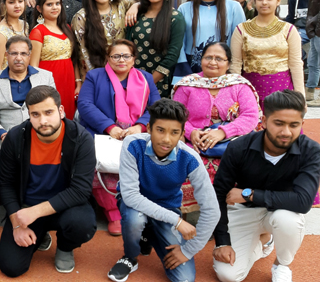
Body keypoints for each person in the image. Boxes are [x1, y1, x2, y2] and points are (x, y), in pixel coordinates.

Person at [212, 90, 320, 282]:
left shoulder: (311, 151)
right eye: (279, 123)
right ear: (263, 121)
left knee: (288, 220)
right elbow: (219, 194)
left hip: (280, 211)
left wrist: (249, 194)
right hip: (243, 211)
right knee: (228, 276)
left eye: (294, 125)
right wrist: (222, 242)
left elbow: (303, 202)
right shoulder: (238, 148)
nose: (286, 131)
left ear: (302, 124)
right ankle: (263, 241)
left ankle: (281, 264)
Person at [107, 99, 220, 282]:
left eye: (174, 132)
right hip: (135, 205)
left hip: (167, 208)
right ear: (149, 128)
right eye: (160, 130)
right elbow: (130, 196)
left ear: (182, 134)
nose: (166, 139)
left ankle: (148, 235)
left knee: (184, 279)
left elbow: (212, 210)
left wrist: (187, 251)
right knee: (135, 219)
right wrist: (177, 221)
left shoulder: (190, 158)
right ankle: (130, 257)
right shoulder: (132, 144)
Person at [0, 85, 97, 277]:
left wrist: (35, 212)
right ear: (29, 114)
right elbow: (7, 185)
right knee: (11, 267)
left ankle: (65, 246)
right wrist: (17, 224)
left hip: (65, 207)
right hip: (27, 205)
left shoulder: (81, 138)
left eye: (48, 112)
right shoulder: (16, 138)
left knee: (82, 223)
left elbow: (81, 190)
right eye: (35, 114)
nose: (42, 121)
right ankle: (40, 235)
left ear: (61, 111)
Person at [77, 40, 161, 235]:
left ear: (134, 59)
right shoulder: (95, 76)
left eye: (126, 56)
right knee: (100, 164)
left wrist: (140, 126)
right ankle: (113, 212)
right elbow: (85, 104)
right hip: (101, 133)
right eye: (116, 56)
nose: (121, 60)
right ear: (108, 58)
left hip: (137, 132)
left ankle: (137, 207)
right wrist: (110, 127)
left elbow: (156, 108)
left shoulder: (146, 78)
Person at [172, 42, 260, 212]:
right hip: (195, 144)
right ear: (201, 59)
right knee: (187, 164)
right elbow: (176, 116)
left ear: (228, 63)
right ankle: (199, 216)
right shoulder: (187, 85)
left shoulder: (239, 85)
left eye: (219, 58)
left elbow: (251, 116)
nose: (213, 62)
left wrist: (223, 133)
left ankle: (231, 218)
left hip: (232, 144)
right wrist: (192, 132)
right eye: (208, 57)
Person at [230, 0, 304, 108]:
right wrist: (234, 94)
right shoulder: (241, 30)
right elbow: (236, 64)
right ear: (254, 1)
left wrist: (300, 96)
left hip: (282, 90)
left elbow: (296, 64)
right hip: (250, 89)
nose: (264, 2)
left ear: (278, 0)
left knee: (280, 125)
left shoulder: (289, 30)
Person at [0, 35, 56, 144]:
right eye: (14, 53)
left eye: (23, 54)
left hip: (41, 136)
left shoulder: (46, 77)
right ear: (6, 55)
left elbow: (54, 108)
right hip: (8, 139)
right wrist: (1, 133)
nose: (18, 58)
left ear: (29, 56)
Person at [125, 0, 186, 98]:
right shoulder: (136, 14)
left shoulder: (175, 18)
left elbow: (172, 55)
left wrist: (148, 83)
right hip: (131, 79)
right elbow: (127, 45)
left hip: (158, 83)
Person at [178, 0, 246, 74]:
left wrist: (233, 71)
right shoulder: (184, 8)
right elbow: (179, 43)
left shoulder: (234, 7)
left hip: (224, 68)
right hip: (191, 68)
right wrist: (184, 70)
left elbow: (239, 42)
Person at [30, 0, 82, 119]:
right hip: (49, 83)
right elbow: (33, 66)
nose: (54, 7)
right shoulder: (38, 32)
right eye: (49, 4)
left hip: (69, 81)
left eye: (57, 3)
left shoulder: (67, 28)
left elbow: (73, 58)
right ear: (39, 8)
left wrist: (78, 83)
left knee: (68, 116)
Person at [72, 0, 135, 73]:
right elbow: (83, 54)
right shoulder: (81, 17)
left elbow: (144, 4)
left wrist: (135, 6)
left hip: (125, 68)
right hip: (98, 71)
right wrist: (96, 78)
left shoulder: (122, 5)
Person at [0, 0, 29, 72]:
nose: (17, 6)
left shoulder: (25, 25)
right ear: (3, 5)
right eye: (12, 2)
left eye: (20, 1)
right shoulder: (1, 33)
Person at [305, 0, 320, 105]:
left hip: (318, 31)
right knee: (312, 63)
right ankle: (310, 93)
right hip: (315, 32)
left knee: (316, 63)